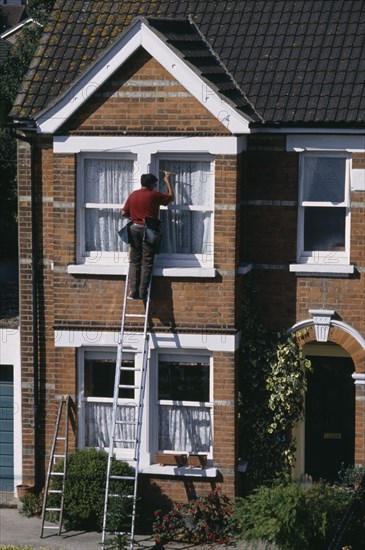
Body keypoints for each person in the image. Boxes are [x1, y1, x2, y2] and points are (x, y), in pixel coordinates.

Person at [121, 172, 174, 300]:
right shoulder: (153, 195)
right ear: (151, 184)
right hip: (148, 229)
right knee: (147, 261)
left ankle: (133, 291)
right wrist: (167, 180)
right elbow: (170, 197)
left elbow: (123, 213)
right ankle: (143, 292)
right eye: (155, 184)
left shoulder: (133, 195)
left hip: (133, 228)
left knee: (134, 261)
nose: (156, 187)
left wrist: (135, 217)